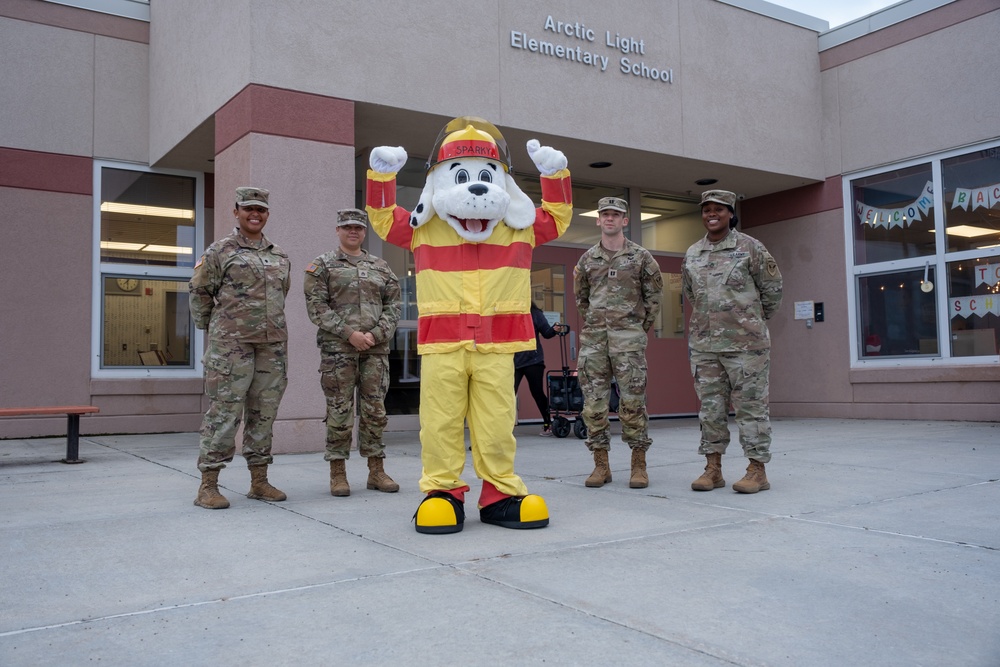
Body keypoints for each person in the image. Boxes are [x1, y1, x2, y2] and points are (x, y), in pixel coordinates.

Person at [189, 186, 291, 509]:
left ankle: (259, 481)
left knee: (264, 413)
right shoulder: (220, 251)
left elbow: (281, 295)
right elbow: (199, 292)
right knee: (224, 413)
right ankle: (208, 484)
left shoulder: (279, 256)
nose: (254, 214)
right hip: (231, 348)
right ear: (236, 211)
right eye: (248, 209)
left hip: (271, 347)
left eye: (260, 210)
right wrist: (217, 330)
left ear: (267, 215)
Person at [682, 189, 783, 494]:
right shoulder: (693, 253)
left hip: (746, 347)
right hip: (705, 346)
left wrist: (749, 321)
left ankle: (757, 469)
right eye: (706, 210)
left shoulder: (750, 247)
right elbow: (691, 294)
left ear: (730, 213)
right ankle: (713, 469)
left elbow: (772, 290)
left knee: (751, 409)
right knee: (710, 410)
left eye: (718, 209)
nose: (711, 214)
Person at [303, 208, 402, 496]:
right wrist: (350, 334)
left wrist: (374, 334)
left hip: (375, 350)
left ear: (364, 231)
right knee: (339, 412)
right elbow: (317, 307)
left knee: (375, 411)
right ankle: (338, 473)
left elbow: (394, 307)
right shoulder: (322, 266)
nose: (353, 232)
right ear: (338, 230)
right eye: (347, 227)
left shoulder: (381, 267)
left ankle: (376, 471)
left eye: (358, 227)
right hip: (338, 352)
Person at [574, 196, 662, 489]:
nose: (610, 218)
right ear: (598, 220)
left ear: (625, 220)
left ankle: (639, 465)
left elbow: (653, 299)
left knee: (633, 404)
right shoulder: (587, 260)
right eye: (605, 214)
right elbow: (581, 300)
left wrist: (635, 329)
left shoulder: (641, 258)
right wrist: (599, 326)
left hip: (629, 342)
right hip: (595, 343)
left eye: (616, 214)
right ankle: (601, 466)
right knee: (594, 405)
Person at [514, 302, 566, 436]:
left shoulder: (535, 314)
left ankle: (547, 423)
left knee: (537, 393)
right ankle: (503, 428)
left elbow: (547, 333)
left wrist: (554, 329)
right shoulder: (511, 313)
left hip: (533, 360)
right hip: (514, 361)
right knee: (509, 394)